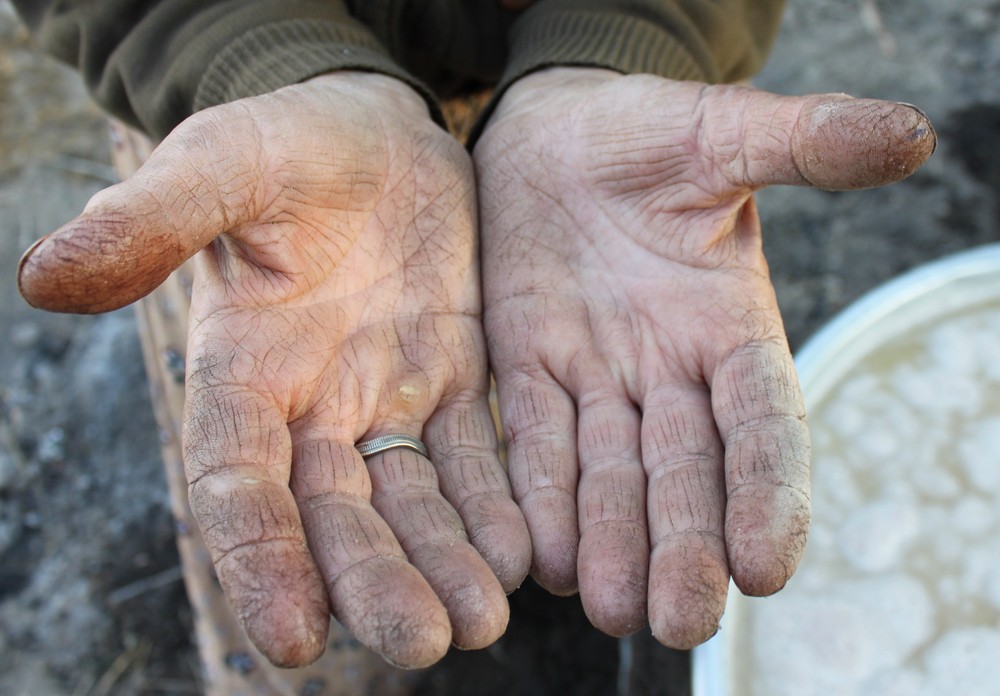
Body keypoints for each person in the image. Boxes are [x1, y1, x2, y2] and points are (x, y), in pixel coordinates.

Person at [13, 0, 936, 685]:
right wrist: (246, 52)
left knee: (578, 441)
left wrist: (634, 34)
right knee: (299, 486)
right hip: (266, 139)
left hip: (615, 122)